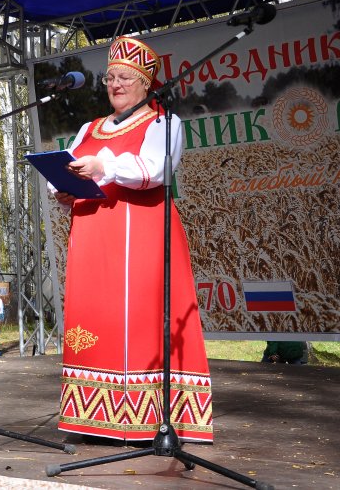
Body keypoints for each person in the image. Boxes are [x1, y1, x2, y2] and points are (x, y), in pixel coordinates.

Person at [53, 36, 213, 443]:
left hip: (139, 233)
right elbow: (74, 169)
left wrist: (102, 165)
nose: (116, 84)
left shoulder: (163, 122)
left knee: (139, 319)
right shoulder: (88, 128)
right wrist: (65, 189)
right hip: (92, 236)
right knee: (94, 319)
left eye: (126, 77)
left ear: (146, 83)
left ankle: (148, 419)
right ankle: (96, 418)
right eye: (110, 77)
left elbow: (155, 170)